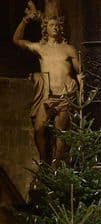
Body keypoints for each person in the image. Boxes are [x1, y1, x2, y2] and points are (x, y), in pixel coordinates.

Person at [13, 2, 82, 163]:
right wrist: (25, 20)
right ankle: (43, 160)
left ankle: (55, 166)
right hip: (47, 96)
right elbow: (17, 40)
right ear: (46, 28)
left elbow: (79, 71)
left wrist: (81, 85)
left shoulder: (69, 49)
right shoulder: (41, 48)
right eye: (51, 25)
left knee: (60, 132)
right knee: (39, 128)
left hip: (65, 95)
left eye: (57, 25)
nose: (55, 28)